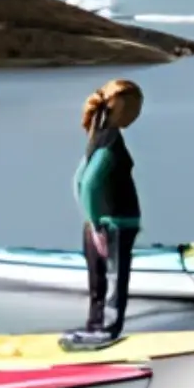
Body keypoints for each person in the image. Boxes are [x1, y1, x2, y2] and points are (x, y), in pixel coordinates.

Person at [64, 78, 143, 349]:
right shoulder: (111, 141)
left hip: (99, 222)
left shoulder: (96, 137)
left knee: (97, 281)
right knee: (113, 279)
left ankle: (94, 325)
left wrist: (89, 218)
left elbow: (78, 181)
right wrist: (98, 225)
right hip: (116, 223)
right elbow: (89, 183)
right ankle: (106, 330)